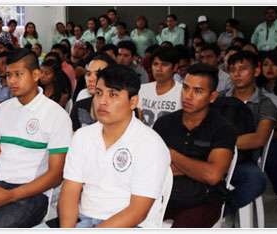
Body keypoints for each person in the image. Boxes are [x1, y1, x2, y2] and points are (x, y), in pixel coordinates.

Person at [59, 64, 170, 228]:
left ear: (133, 102)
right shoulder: (82, 136)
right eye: (99, 93)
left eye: (113, 95)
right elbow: (69, 192)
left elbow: (137, 212)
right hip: (84, 219)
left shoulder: (150, 144)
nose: (102, 101)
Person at [0, 49, 71, 228]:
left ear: (35, 75)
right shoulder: (2, 110)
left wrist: (10, 195)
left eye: (18, 74)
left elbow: (55, 176)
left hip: (31, 195)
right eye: (9, 75)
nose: (12, 80)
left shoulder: (56, 115)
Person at [154, 63, 237, 228]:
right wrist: (197, 169)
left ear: (212, 97)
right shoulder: (164, 123)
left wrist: (173, 155)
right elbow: (153, 168)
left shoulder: (223, 128)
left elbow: (213, 175)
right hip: (162, 195)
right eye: (185, 88)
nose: (188, 96)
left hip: (203, 201)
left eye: (198, 91)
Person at [221, 51, 275, 217]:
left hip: (242, 162)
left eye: (243, 68)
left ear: (256, 72)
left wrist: (221, 144)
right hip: (211, 158)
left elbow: (259, 138)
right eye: (232, 69)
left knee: (256, 181)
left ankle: (219, 211)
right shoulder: (219, 100)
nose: (236, 74)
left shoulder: (264, 104)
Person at [257, 51, 277, 217]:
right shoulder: (256, 87)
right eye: (266, 64)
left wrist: (271, 136)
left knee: (271, 155)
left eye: (275, 64)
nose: (269, 68)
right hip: (261, 134)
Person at [138, 46, 182, 127]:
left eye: (164, 64)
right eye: (155, 64)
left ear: (175, 67)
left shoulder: (182, 92)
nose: (159, 68)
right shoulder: (142, 89)